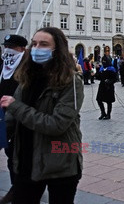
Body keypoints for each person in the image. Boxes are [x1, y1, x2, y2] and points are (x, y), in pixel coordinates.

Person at [1, 27, 84, 203]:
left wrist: (16, 107)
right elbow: (11, 120)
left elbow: (56, 124)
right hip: (26, 159)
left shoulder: (71, 81)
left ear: (57, 49)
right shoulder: (26, 75)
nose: (37, 48)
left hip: (60, 162)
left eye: (44, 44)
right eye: (34, 43)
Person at [0, 34, 28, 204]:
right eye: (6, 46)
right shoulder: (5, 64)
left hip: (19, 115)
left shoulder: (26, 67)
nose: (8, 50)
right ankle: (16, 187)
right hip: (3, 116)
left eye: (12, 47)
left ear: (22, 49)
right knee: (10, 152)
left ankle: (17, 189)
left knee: (18, 154)